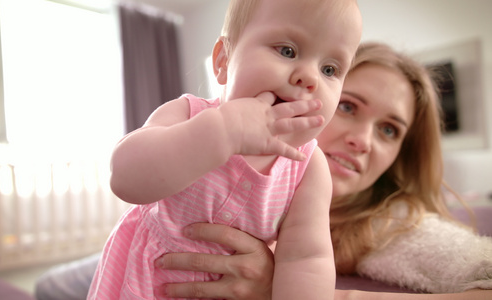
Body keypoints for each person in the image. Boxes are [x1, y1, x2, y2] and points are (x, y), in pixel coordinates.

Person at [35, 42, 492, 299]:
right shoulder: (209, 146)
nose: (364, 140)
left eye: (390, 131)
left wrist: (288, 288)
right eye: (349, 107)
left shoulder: (397, 229)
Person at [87, 0, 362, 299]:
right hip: (142, 284)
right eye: (287, 51)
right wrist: (220, 132)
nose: (309, 78)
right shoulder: (189, 114)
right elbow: (125, 178)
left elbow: (306, 259)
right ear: (223, 62)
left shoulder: (308, 167)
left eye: (329, 69)